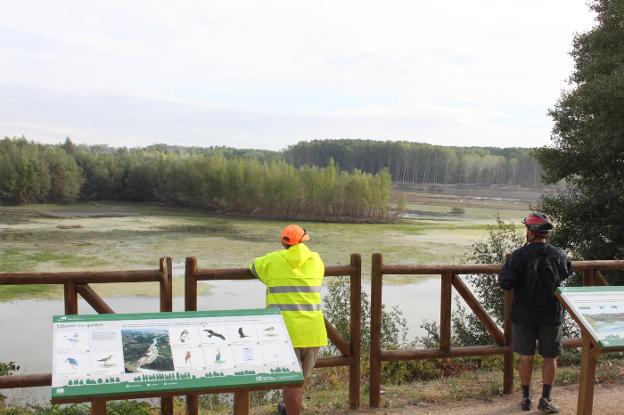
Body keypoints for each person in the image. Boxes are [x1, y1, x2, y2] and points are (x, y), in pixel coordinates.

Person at [250, 224, 327, 415]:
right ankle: (287, 408)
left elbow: (253, 266)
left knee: (292, 380)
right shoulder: (317, 261)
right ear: (304, 240)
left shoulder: (272, 260)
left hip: (284, 332)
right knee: (298, 379)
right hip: (312, 331)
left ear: (282, 242)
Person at [499, 212, 572, 413]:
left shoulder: (518, 256)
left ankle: (525, 398)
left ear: (531, 233)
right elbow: (566, 272)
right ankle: (546, 400)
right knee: (550, 358)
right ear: (544, 234)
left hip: (524, 315)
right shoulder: (559, 254)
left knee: (525, 357)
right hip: (552, 314)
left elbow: (506, 282)